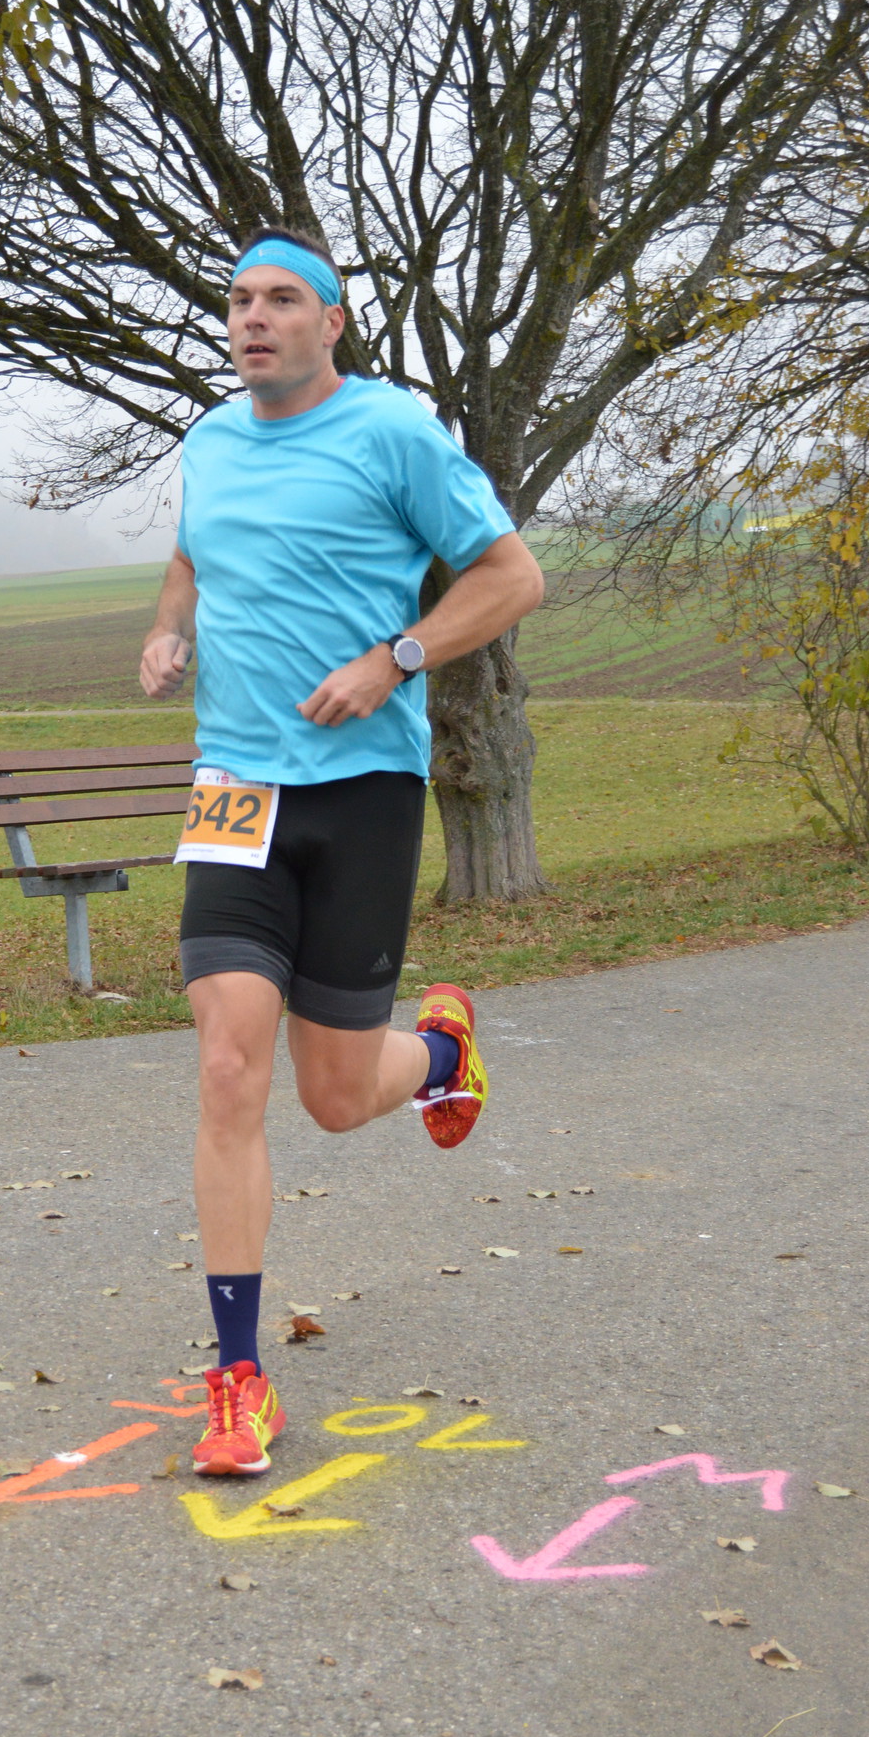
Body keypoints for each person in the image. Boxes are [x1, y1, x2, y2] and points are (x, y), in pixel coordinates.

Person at [140, 226, 545, 1480]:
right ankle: (237, 1379)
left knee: (329, 1097)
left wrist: (395, 660)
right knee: (227, 1066)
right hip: (233, 791)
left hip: (363, 792)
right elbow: (192, 553)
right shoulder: (210, 440)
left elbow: (511, 577)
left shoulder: (391, 433)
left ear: (331, 321)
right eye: (237, 301)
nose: (253, 319)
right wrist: (168, 628)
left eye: (281, 300)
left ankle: (440, 1052)